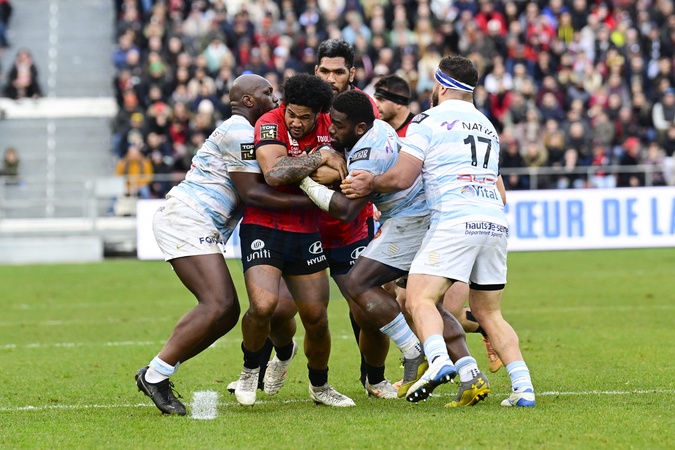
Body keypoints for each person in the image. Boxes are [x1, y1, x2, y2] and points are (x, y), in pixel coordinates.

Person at [343, 55, 535, 407]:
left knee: (418, 299)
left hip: (454, 219)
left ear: (442, 86)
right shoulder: (487, 125)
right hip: (494, 221)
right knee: (489, 313)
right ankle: (524, 389)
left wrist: (371, 182)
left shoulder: (427, 120)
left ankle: (437, 361)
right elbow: (499, 189)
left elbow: (402, 177)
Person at [134, 74, 313, 416]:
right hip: (188, 217)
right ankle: (155, 374)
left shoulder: (248, 131)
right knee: (219, 303)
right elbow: (252, 192)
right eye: (268, 93)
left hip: (198, 221)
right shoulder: (240, 131)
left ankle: (158, 372)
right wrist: (315, 202)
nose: (275, 99)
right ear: (249, 100)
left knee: (227, 312)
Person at [234, 73, 356, 407]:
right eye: (292, 114)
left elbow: (341, 172)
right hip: (263, 227)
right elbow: (274, 173)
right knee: (263, 306)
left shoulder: (331, 125)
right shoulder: (269, 122)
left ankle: (320, 386)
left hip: (306, 231)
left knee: (316, 319)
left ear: (319, 113)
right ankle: (250, 370)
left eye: (305, 117)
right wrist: (319, 158)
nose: (296, 122)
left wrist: (316, 166)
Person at [375, 74, 503, 374]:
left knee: (439, 308)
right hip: (414, 231)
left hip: (448, 231)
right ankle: (424, 368)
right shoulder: (384, 136)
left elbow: (499, 192)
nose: (375, 105)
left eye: (380, 99)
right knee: (408, 302)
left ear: (399, 103)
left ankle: (474, 340)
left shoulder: (429, 127)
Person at [313, 38, 395, 396]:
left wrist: (331, 170)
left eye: (338, 71)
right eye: (325, 71)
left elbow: (362, 169)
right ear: (316, 70)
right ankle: (261, 367)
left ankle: (374, 377)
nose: (331, 79)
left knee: (366, 309)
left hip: (351, 226)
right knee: (283, 308)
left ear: (352, 72)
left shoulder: (365, 108)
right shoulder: (303, 104)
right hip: (306, 226)